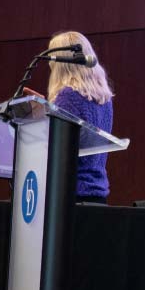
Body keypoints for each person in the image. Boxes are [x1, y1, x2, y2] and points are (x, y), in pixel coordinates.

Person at [29, 30, 115, 204]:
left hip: (70, 195)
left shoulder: (68, 95)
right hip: (97, 195)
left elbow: (56, 147)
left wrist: (37, 116)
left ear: (60, 64)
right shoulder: (105, 99)